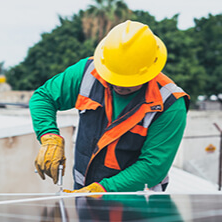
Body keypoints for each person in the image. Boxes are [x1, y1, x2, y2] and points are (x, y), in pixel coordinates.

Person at [30, 20, 190, 193]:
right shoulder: (87, 73)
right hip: (83, 194)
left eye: (128, 81)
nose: (119, 86)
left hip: (137, 203)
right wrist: (49, 137)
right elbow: (44, 97)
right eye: (114, 77)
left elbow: (153, 166)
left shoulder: (170, 103)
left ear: (149, 70)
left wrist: (101, 189)